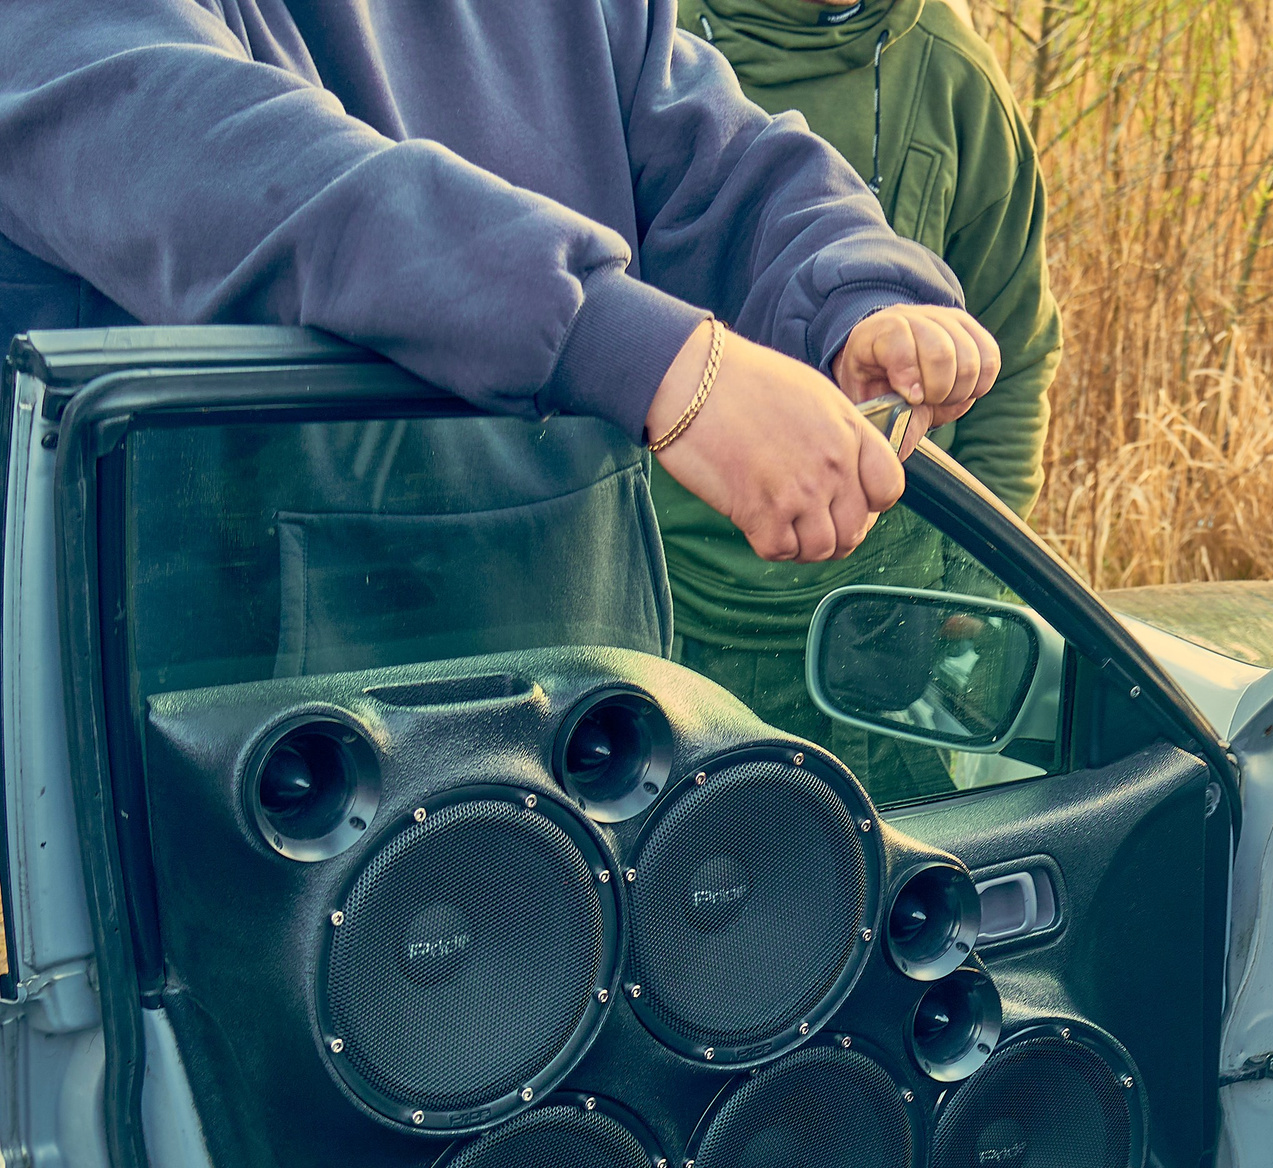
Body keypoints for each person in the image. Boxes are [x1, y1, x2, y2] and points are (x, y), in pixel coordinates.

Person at [0, 2, 1000, 570]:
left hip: (567, 674)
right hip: (223, 720)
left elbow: (721, 159)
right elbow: (229, 169)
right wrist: (651, 358)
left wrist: (856, 295)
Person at [659, 0, 1064, 801]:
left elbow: (1013, 357)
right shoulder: (635, 44)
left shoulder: (951, 75)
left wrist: (971, 591)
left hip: (874, 644)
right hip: (659, 622)